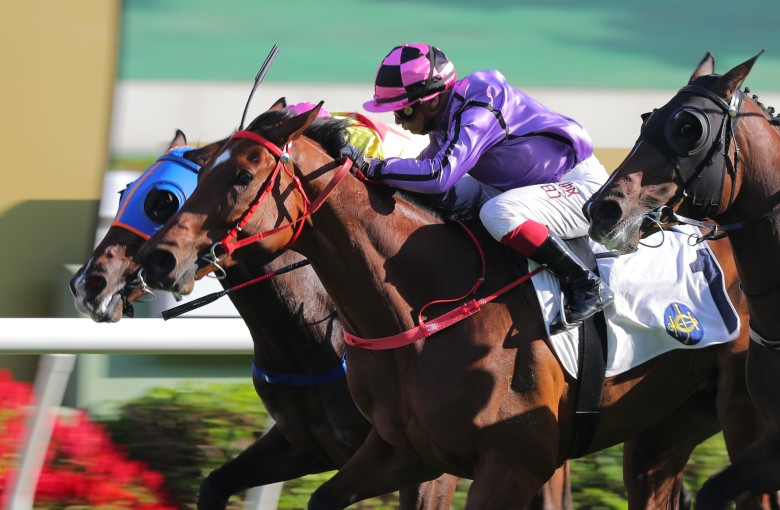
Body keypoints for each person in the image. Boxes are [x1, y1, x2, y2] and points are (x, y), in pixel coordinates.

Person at [352, 42, 614, 331]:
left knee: (497, 213)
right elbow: (421, 176)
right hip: (522, 190)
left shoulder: (480, 100)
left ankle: (585, 284)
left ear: (431, 101)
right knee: (439, 196)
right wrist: (366, 175)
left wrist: (372, 166)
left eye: (403, 111)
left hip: (580, 190)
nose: (398, 121)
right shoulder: (445, 117)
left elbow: (438, 174)